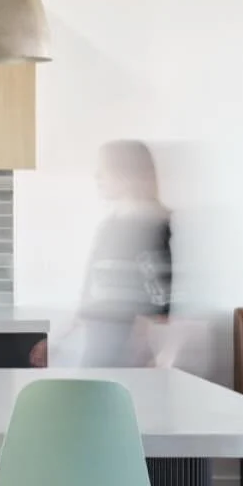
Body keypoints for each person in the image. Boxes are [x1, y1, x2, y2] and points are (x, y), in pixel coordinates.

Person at [72, 139, 173, 367]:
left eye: (104, 169)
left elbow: (162, 305)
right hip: (98, 350)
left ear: (127, 173)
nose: (97, 176)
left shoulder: (156, 227)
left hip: (126, 357)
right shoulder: (109, 227)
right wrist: (57, 339)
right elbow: (91, 295)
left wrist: (143, 350)